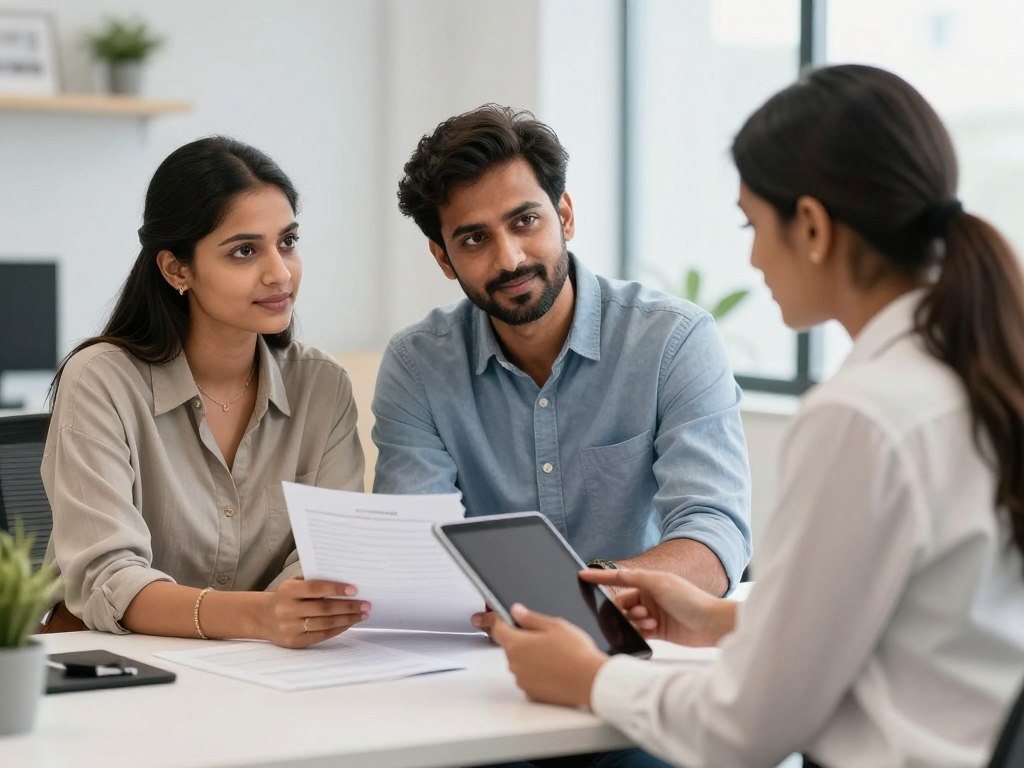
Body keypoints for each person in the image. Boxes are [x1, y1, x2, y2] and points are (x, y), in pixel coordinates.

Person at [491, 64, 1024, 768]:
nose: (752, 256)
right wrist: (715, 618)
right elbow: (922, 625)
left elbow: (746, 730)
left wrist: (591, 678)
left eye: (752, 223)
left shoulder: (864, 416)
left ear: (810, 225)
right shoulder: (974, 371)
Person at [373, 106, 752, 611]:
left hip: (643, 639)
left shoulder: (673, 341)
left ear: (565, 215)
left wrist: (588, 592)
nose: (509, 258)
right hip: (483, 655)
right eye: (474, 239)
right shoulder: (417, 365)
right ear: (443, 257)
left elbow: (714, 535)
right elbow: (415, 545)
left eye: (525, 221)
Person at [42, 137, 370, 648]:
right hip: (114, 668)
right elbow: (107, 577)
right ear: (177, 269)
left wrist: (286, 615)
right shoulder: (102, 380)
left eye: (287, 241)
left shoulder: (322, 386)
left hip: (261, 670)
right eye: (245, 251)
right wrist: (260, 616)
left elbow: (329, 555)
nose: (280, 272)